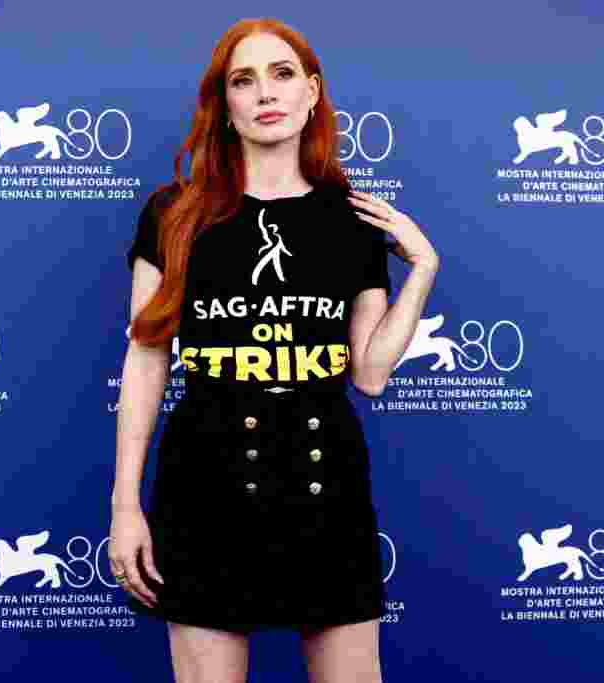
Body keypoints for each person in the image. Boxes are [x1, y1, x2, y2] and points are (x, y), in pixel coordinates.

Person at [111, 17, 439, 683]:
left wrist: (425, 266)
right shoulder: (173, 214)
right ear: (225, 106)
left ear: (312, 91)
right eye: (244, 79)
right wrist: (125, 505)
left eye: (283, 73)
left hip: (327, 487)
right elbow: (146, 361)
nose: (266, 91)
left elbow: (370, 374)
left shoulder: (352, 219)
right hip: (205, 483)